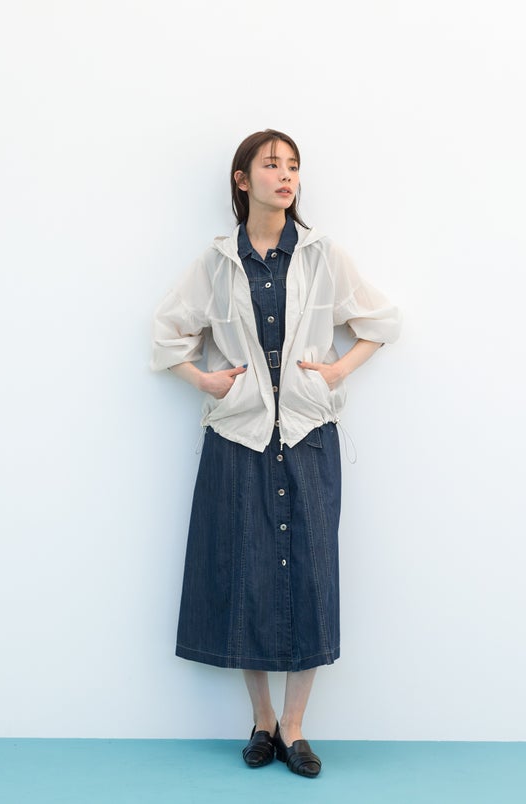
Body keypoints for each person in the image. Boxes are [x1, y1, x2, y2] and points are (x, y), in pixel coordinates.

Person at [150, 129, 401, 777]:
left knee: (311, 572)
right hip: (238, 437)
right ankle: (262, 722)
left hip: (308, 434)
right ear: (243, 180)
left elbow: (382, 322)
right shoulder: (217, 263)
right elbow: (166, 335)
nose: (285, 175)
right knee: (247, 574)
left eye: (293, 166)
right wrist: (204, 380)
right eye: (271, 165)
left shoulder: (321, 256)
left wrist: (336, 372)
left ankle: (295, 728)